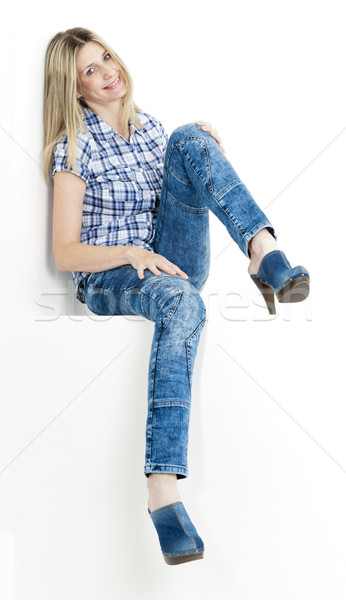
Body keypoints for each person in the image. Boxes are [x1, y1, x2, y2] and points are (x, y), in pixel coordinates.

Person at [42, 27, 310, 566]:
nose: (107, 72)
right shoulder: (74, 147)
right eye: (90, 71)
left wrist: (199, 153)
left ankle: (263, 251)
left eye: (107, 58)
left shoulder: (151, 130)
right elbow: (66, 254)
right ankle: (162, 489)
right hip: (111, 276)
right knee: (184, 304)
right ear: (75, 90)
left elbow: (181, 204)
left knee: (191, 134)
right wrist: (127, 254)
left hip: (170, 259)